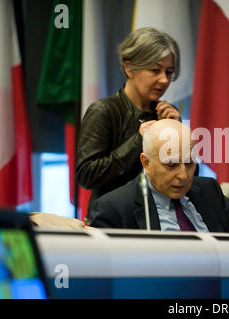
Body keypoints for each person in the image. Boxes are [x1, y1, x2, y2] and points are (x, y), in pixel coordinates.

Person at [76, 27, 181, 222]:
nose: (164, 80)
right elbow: (87, 175)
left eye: (169, 72)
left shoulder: (167, 115)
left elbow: (186, 179)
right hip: (111, 222)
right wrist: (138, 140)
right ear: (129, 68)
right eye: (155, 70)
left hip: (162, 220)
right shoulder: (104, 111)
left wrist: (177, 134)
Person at [89, 119, 229, 233]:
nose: (183, 176)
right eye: (171, 165)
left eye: (189, 163)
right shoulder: (113, 209)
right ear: (146, 162)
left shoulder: (210, 191)